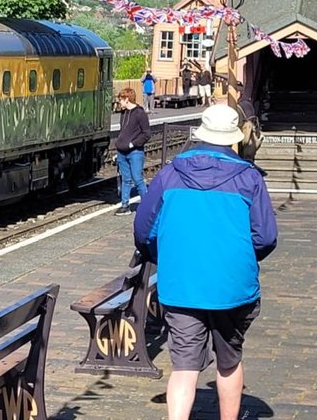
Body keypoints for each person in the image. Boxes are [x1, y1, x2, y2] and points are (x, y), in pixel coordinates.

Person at [134, 104, 277, 420]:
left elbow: (144, 230)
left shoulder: (170, 174)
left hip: (182, 284)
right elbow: (265, 237)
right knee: (229, 360)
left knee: (183, 366)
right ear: (233, 139)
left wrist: (164, 255)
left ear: (201, 134)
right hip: (233, 288)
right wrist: (238, 257)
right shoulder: (249, 178)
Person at [114, 87, 151, 215]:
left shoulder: (140, 113)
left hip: (135, 152)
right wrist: (119, 145)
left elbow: (146, 134)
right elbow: (123, 131)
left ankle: (147, 205)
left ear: (127, 99)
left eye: (120, 100)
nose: (119, 103)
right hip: (121, 151)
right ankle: (125, 205)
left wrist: (132, 144)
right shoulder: (123, 113)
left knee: (137, 178)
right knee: (126, 179)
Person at [235, 85, 263, 162]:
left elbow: (238, 124)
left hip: (243, 140)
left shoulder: (238, 107)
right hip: (252, 138)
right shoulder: (248, 103)